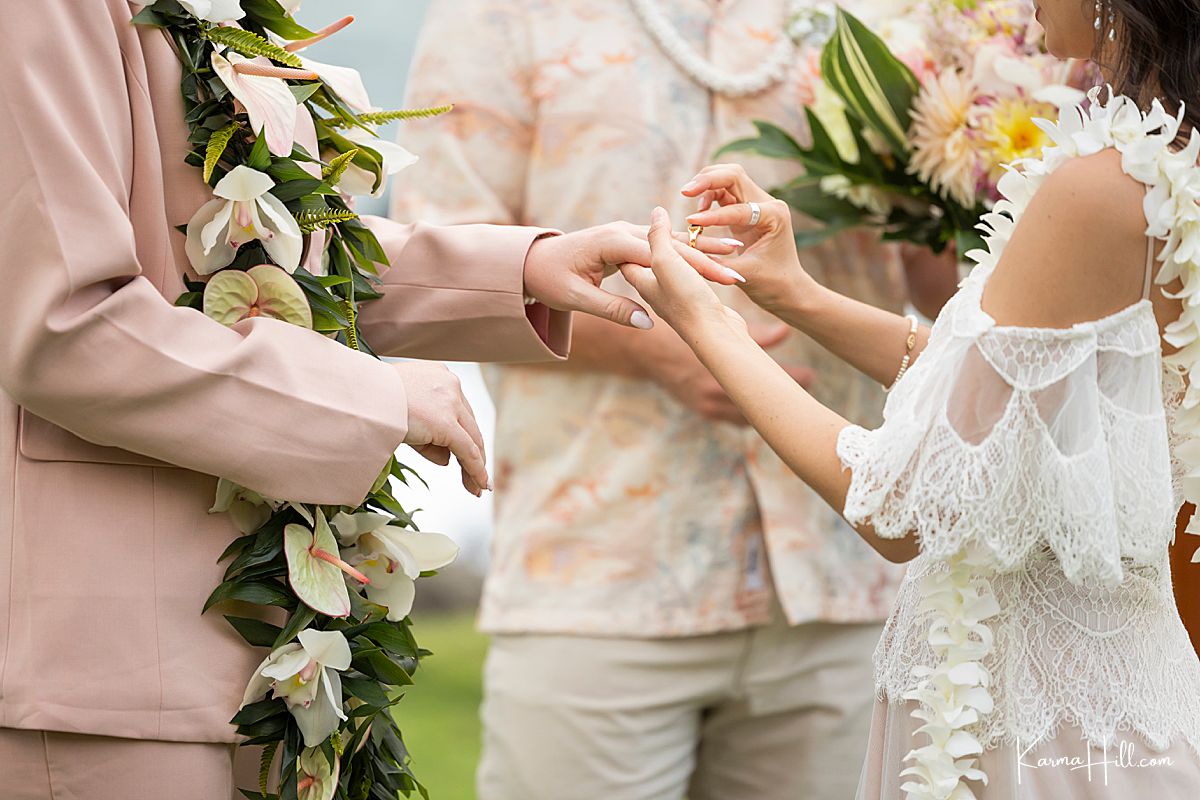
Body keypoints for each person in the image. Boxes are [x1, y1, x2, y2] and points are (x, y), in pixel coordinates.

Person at [0, 2, 732, 797]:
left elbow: (274, 255)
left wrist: (523, 267)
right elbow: (66, 328)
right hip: (108, 653)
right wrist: (371, 397)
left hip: (275, 641)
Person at [623, 0, 1200, 796]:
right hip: (1123, 714)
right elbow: (1004, 398)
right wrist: (796, 294)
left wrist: (704, 322)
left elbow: (899, 507)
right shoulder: (1173, 174)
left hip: (1039, 743)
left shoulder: (1101, 192)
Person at [390, 2, 944, 798]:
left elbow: (947, 277)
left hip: (843, 571)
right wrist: (662, 345)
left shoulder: (897, 15)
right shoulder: (496, 16)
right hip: (600, 571)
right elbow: (434, 270)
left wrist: (990, 156)